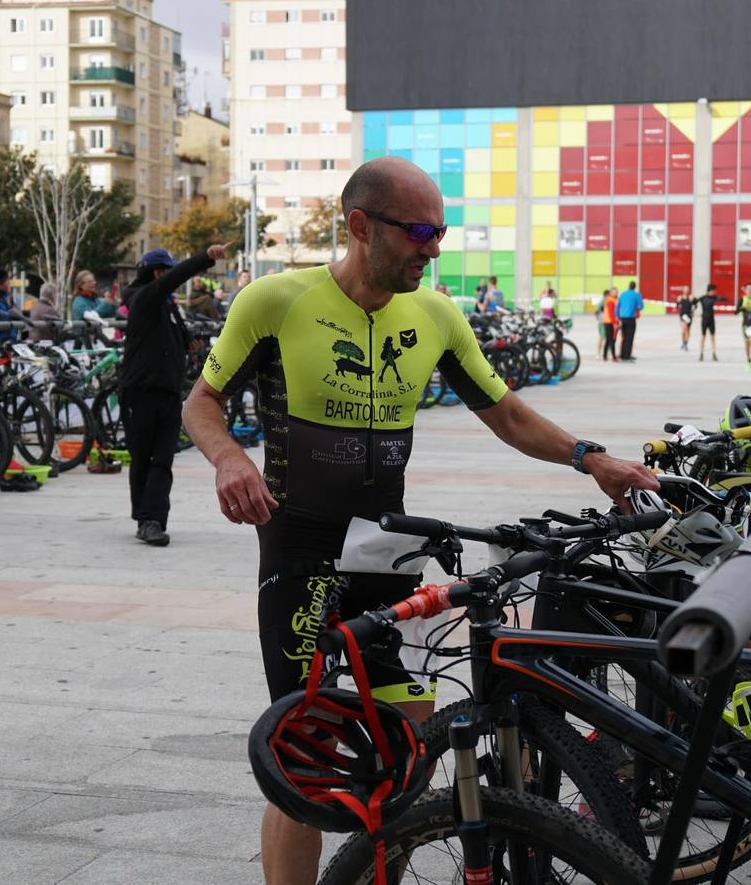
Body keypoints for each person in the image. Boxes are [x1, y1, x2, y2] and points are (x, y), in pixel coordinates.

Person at [180, 155, 658, 885]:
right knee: (309, 760)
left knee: (405, 753)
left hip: (389, 552)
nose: (433, 249)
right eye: (421, 232)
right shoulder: (273, 302)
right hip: (301, 550)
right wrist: (227, 460)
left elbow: (506, 412)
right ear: (360, 226)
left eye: (440, 232)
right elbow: (200, 404)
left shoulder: (434, 315)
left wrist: (591, 458)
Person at [120, 243, 232, 545]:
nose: (168, 279)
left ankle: (152, 517)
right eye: (163, 273)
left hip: (168, 392)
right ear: (155, 274)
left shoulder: (168, 308)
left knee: (163, 459)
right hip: (140, 392)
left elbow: (181, 339)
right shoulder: (145, 299)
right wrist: (205, 257)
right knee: (143, 458)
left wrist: (192, 346)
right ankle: (146, 518)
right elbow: (175, 278)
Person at [616, 280, 644, 361]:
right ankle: (627, 356)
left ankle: (622, 354)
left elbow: (617, 307)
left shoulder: (622, 294)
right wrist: (635, 307)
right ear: (635, 287)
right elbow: (641, 306)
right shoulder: (636, 295)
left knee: (624, 337)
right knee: (629, 338)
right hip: (631, 319)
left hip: (622, 318)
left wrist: (618, 317)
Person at [698, 282, 720, 361]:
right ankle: (701, 353)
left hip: (711, 320)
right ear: (710, 290)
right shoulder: (703, 298)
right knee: (703, 337)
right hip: (704, 320)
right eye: (714, 291)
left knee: (712, 337)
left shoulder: (714, 298)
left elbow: (722, 299)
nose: (715, 292)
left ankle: (714, 353)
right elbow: (695, 301)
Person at [600, 287, 619, 362]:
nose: (616, 293)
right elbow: (611, 313)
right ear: (611, 293)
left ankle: (605, 356)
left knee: (608, 340)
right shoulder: (611, 301)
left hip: (608, 322)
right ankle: (614, 357)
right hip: (609, 323)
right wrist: (615, 323)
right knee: (612, 340)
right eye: (615, 292)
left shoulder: (613, 300)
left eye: (617, 292)